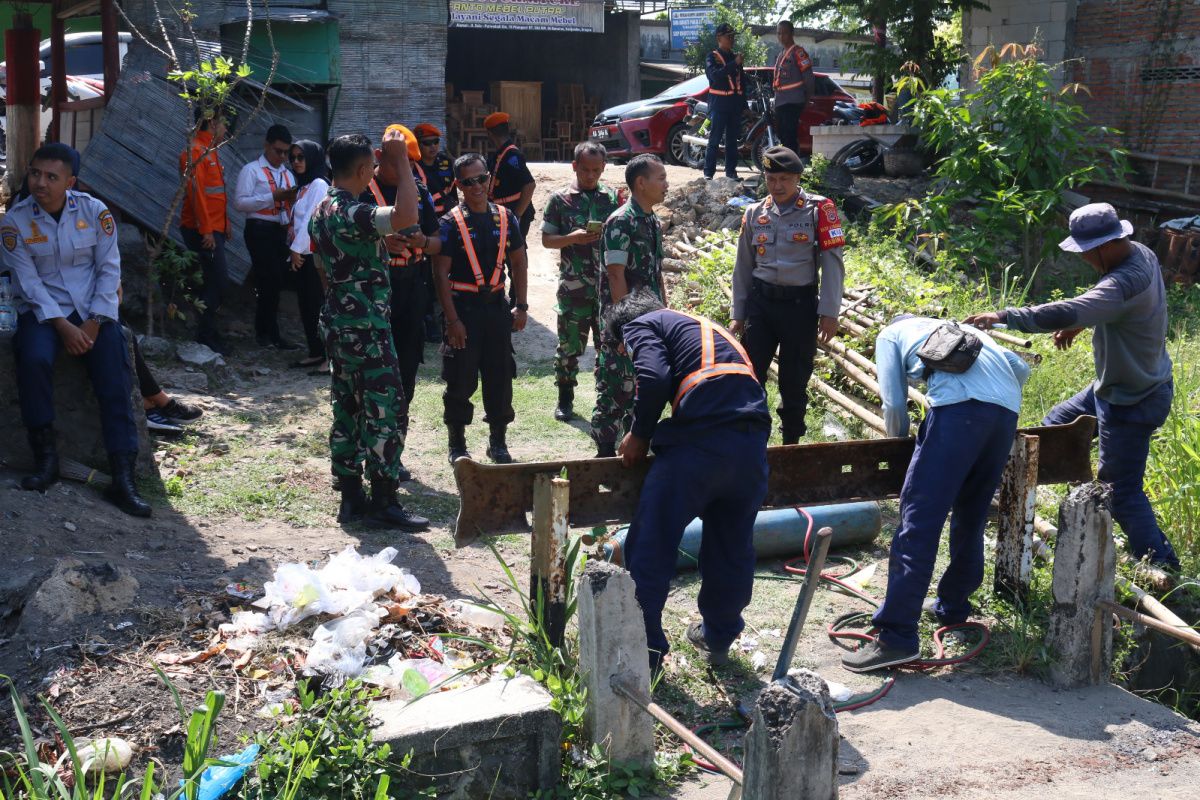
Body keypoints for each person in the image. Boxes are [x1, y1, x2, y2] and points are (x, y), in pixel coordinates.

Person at [965, 203, 1180, 569]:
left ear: (1104, 245)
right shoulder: (1139, 253)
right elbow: (1102, 304)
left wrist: (1004, 316)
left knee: (1121, 490)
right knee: (1055, 427)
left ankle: (1162, 564)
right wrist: (1084, 322)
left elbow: (1069, 309)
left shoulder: (1122, 282)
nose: (1083, 259)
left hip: (1132, 400)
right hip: (1115, 386)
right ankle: (1012, 493)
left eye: (1084, 252)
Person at [843, 315, 1031, 672]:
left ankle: (896, 637)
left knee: (919, 522)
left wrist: (899, 447)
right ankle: (954, 608)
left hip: (958, 413)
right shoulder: (966, 328)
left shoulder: (890, 333)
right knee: (971, 515)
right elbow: (1019, 368)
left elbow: (895, 404)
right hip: (1005, 415)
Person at [604, 289, 770, 673]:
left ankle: (646, 652)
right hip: (749, 445)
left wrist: (639, 434)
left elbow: (654, 375)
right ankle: (718, 636)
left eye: (622, 351)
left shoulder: (640, 324)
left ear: (622, 334)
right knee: (731, 545)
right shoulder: (704, 327)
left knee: (651, 544)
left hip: (700, 441)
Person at [1, 143, 150, 516]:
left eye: (52, 176)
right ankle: (46, 461)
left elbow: (108, 270)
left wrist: (97, 321)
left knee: (114, 371)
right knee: (33, 358)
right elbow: (28, 282)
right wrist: (62, 326)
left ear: (71, 181)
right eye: (35, 173)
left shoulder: (95, 213)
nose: (40, 182)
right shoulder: (14, 221)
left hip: (92, 313)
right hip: (43, 313)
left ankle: (123, 476)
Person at [307, 131, 429, 531]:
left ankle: (350, 496)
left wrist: (378, 246)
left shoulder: (321, 209)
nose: (377, 171)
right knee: (385, 409)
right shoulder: (351, 209)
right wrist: (404, 163)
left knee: (346, 407)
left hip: (337, 323)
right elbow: (406, 216)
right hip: (365, 328)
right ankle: (383, 501)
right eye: (374, 167)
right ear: (363, 170)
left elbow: (326, 264)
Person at [730, 145, 844, 443]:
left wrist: (830, 312)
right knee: (749, 376)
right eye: (771, 179)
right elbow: (743, 266)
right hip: (761, 306)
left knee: (794, 383)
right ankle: (751, 442)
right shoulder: (754, 213)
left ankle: (790, 446)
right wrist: (737, 314)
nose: (777, 186)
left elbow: (833, 264)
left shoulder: (820, 209)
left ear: (797, 178)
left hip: (800, 308)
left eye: (784, 179)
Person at [433, 152, 529, 464]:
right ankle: (457, 443)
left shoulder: (506, 218)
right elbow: (439, 274)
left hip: (496, 310)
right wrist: (452, 320)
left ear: (490, 178)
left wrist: (522, 305)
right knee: (460, 379)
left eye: (481, 178)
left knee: (500, 376)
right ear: (458, 185)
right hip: (464, 310)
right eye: (468, 181)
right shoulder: (450, 223)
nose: (477, 186)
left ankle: (497, 442)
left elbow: (518, 262)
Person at [361, 125, 441, 481]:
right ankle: (364, 452)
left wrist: (423, 240)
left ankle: (394, 451)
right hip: (373, 291)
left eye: (410, 162)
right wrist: (380, 242)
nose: (406, 169)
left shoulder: (420, 191)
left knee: (405, 372)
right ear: (380, 158)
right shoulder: (361, 191)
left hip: (411, 287)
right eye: (399, 162)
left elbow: (437, 237)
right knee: (370, 374)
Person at [592, 154, 668, 457]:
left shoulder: (651, 220)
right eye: (660, 178)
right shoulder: (620, 222)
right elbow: (615, 276)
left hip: (649, 321)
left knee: (640, 389)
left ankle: (630, 455)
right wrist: (626, 330)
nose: (666, 184)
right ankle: (604, 455)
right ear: (641, 183)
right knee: (615, 390)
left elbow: (655, 275)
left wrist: (665, 313)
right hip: (624, 325)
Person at [542, 141, 620, 422]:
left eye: (596, 170)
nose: (590, 176)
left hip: (607, 288)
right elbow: (546, 240)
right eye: (585, 169)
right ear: (574, 166)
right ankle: (565, 399)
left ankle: (606, 399)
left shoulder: (611, 198)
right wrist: (572, 238)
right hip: (574, 287)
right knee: (569, 347)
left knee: (608, 346)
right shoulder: (559, 199)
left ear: (603, 168)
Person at [233, 123, 299, 350]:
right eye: (278, 151)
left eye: (285, 153)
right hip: (259, 228)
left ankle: (271, 332)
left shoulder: (288, 174)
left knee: (277, 281)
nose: (282, 156)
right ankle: (266, 333)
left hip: (281, 230)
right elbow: (240, 203)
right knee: (268, 279)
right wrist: (272, 197)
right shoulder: (251, 170)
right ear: (266, 146)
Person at [179, 106, 233, 355]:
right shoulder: (195, 152)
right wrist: (207, 231)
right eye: (223, 124)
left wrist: (225, 225)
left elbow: (216, 195)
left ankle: (209, 334)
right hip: (202, 231)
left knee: (216, 282)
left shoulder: (210, 152)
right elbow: (196, 195)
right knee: (218, 282)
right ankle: (205, 335)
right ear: (211, 123)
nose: (226, 129)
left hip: (213, 229)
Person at [287, 139, 330, 370]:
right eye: (292, 158)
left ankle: (327, 355)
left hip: (314, 255)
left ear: (312, 158)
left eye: (300, 157)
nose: (295, 162)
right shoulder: (304, 186)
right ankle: (315, 351)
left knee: (318, 304)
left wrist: (296, 249)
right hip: (302, 254)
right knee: (307, 305)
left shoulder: (318, 184)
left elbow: (311, 220)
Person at [483, 112, 537, 237]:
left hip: (514, 212)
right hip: (503, 211)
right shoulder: (500, 154)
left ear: (489, 134)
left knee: (516, 251)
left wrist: (516, 216)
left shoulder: (512, 156)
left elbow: (530, 185)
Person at [704, 23, 745, 181]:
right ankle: (708, 174)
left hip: (734, 105)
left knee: (732, 142)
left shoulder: (735, 57)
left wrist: (744, 106)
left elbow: (741, 84)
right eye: (729, 36)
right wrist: (734, 63)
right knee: (714, 140)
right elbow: (714, 76)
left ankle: (731, 173)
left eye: (733, 36)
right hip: (719, 104)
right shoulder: (712, 56)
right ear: (719, 38)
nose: (732, 39)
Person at [773, 21, 816, 156]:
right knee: (782, 136)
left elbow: (809, 79)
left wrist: (807, 99)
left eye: (784, 33)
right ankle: (788, 165)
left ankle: (791, 169)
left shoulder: (798, 52)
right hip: (780, 102)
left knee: (789, 136)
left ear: (792, 33)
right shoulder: (781, 54)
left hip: (793, 101)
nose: (781, 36)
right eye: (779, 33)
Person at [414, 123, 459, 216]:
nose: (433, 146)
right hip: (424, 217)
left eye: (436, 141)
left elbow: (453, 190)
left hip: (447, 215)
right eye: (427, 143)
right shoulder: (412, 166)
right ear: (418, 145)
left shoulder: (445, 161)